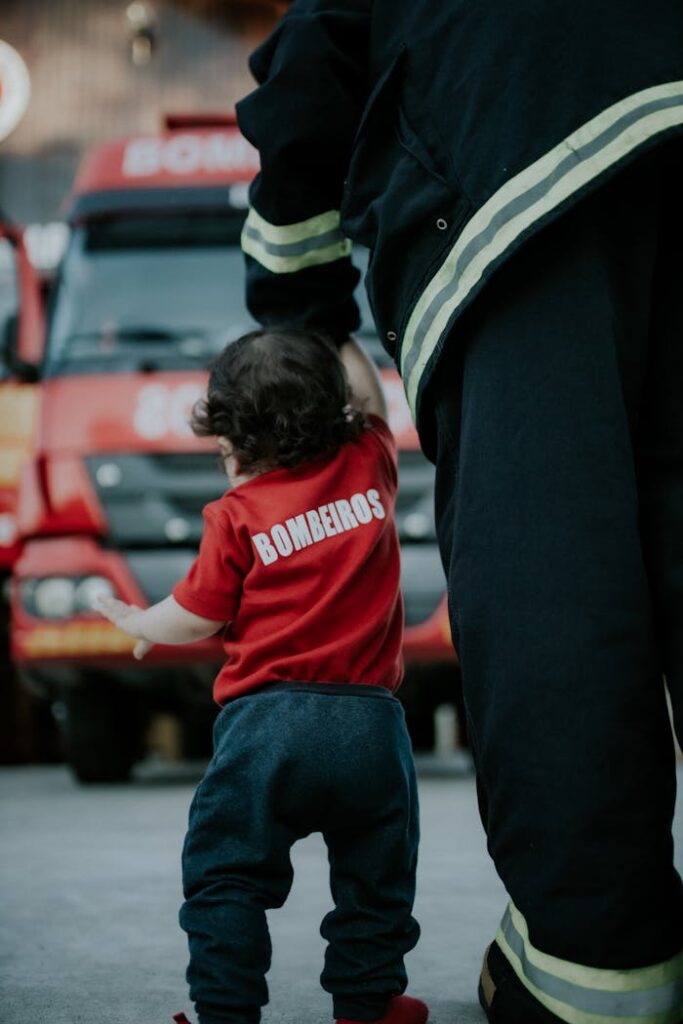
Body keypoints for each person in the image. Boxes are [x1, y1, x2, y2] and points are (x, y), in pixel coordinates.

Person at [232, 3, 683, 1023]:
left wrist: (299, 313)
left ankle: (592, 976)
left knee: (554, 587)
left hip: (520, 175)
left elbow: (310, 62)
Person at [96, 329, 429, 1024]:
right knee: (376, 879)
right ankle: (368, 1004)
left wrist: (138, 624)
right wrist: (334, 331)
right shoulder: (368, 464)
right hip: (370, 725)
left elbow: (194, 615)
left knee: (226, 874)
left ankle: (225, 1008)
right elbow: (370, 399)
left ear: (233, 437)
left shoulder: (237, 515)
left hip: (265, 727)